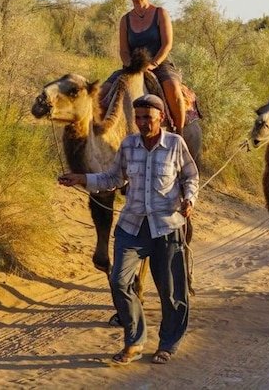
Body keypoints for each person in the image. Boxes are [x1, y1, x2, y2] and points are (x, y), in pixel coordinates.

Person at [58, 94, 199, 366]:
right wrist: (82, 178)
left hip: (167, 226)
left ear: (160, 117)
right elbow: (113, 178)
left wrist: (189, 199)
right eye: (139, 118)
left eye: (148, 117)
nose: (143, 122)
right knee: (119, 282)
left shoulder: (175, 144)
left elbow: (190, 176)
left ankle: (168, 344)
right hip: (132, 226)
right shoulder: (128, 145)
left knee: (171, 293)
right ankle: (134, 341)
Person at [100, 0, 187, 133]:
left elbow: (167, 44)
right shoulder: (125, 20)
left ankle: (179, 133)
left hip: (158, 64)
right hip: (133, 66)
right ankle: (96, 135)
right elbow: (124, 51)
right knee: (100, 93)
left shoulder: (160, 13)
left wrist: (153, 64)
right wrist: (131, 66)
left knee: (173, 88)